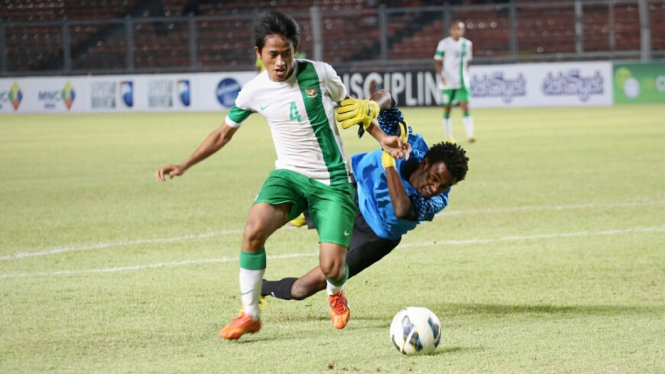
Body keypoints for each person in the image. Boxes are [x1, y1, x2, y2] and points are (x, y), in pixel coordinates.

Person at [154, 11, 408, 340]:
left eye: (287, 53)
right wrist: (184, 164)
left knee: (332, 266)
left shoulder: (320, 74)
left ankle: (336, 290)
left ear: (295, 50)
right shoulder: (253, 91)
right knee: (253, 230)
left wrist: (383, 137)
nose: (280, 61)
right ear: (258, 53)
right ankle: (250, 314)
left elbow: (350, 109)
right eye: (273, 54)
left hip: (332, 182)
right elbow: (222, 134)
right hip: (288, 175)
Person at [262, 89, 469, 302]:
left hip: (373, 236)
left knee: (302, 289)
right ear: (425, 163)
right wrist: (372, 107)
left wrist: (388, 163)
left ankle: (260, 288)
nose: (435, 188)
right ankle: (307, 211)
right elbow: (387, 99)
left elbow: (401, 209)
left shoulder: (437, 201)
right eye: (435, 178)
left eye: (443, 186)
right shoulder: (411, 144)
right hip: (351, 193)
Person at [434, 21, 475, 143]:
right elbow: (436, 62)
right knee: (447, 108)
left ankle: (470, 134)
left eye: (461, 29)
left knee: (465, 105)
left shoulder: (467, 44)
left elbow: (468, 61)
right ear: (450, 30)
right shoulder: (444, 43)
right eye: (456, 29)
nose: (458, 31)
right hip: (448, 82)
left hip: (462, 81)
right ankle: (448, 136)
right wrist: (441, 75)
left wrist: (466, 74)